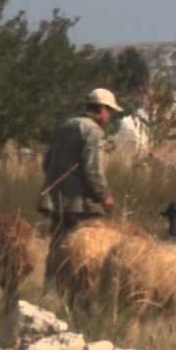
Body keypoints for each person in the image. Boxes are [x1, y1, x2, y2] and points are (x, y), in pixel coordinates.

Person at [39, 88, 122, 241]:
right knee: (84, 246)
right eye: (109, 111)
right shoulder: (94, 131)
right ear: (102, 109)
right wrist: (104, 196)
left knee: (58, 243)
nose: (109, 116)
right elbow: (93, 170)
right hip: (79, 205)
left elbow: (47, 162)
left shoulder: (67, 125)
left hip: (55, 200)